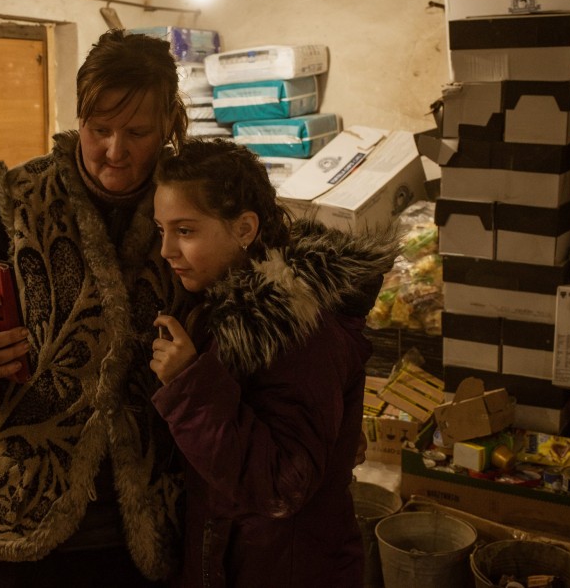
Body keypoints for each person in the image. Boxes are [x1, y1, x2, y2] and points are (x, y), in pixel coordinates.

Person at [0, 29, 193, 588]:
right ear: (79, 119)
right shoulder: (19, 202)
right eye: (100, 130)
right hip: (16, 515)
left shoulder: (189, 201)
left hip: (143, 523)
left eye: (138, 132)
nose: (116, 151)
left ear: (168, 123)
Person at [149, 138, 398, 588]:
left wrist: (190, 387)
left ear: (245, 228)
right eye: (161, 229)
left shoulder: (297, 330)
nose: (166, 249)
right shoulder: (220, 306)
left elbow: (283, 485)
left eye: (185, 231)